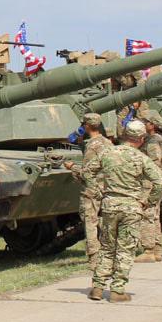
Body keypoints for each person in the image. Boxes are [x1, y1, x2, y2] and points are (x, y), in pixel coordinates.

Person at [83, 120, 162, 302]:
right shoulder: (141, 158)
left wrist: (97, 191)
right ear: (141, 139)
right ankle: (117, 290)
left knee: (107, 247)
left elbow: (87, 172)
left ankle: (97, 287)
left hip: (109, 205)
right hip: (132, 208)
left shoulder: (107, 152)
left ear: (125, 135)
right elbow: (159, 182)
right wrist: (148, 202)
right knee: (125, 249)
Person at [63, 112, 113, 266]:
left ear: (86, 126)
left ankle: (94, 256)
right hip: (107, 187)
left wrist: (72, 167)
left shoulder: (92, 146)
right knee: (105, 220)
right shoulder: (108, 143)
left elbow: (87, 173)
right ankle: (109, 251)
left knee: (90, 221)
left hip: (92, 189)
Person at [134, 111, 162, 263]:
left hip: (150, 182)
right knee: (154, 215)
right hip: (156, 180)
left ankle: (148, 250)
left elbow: (155, 162)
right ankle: (156, 249)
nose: (143, 124)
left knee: (147, 214)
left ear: (152, 125)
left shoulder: (153, 141)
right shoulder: (157, 139)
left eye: (145, 122)